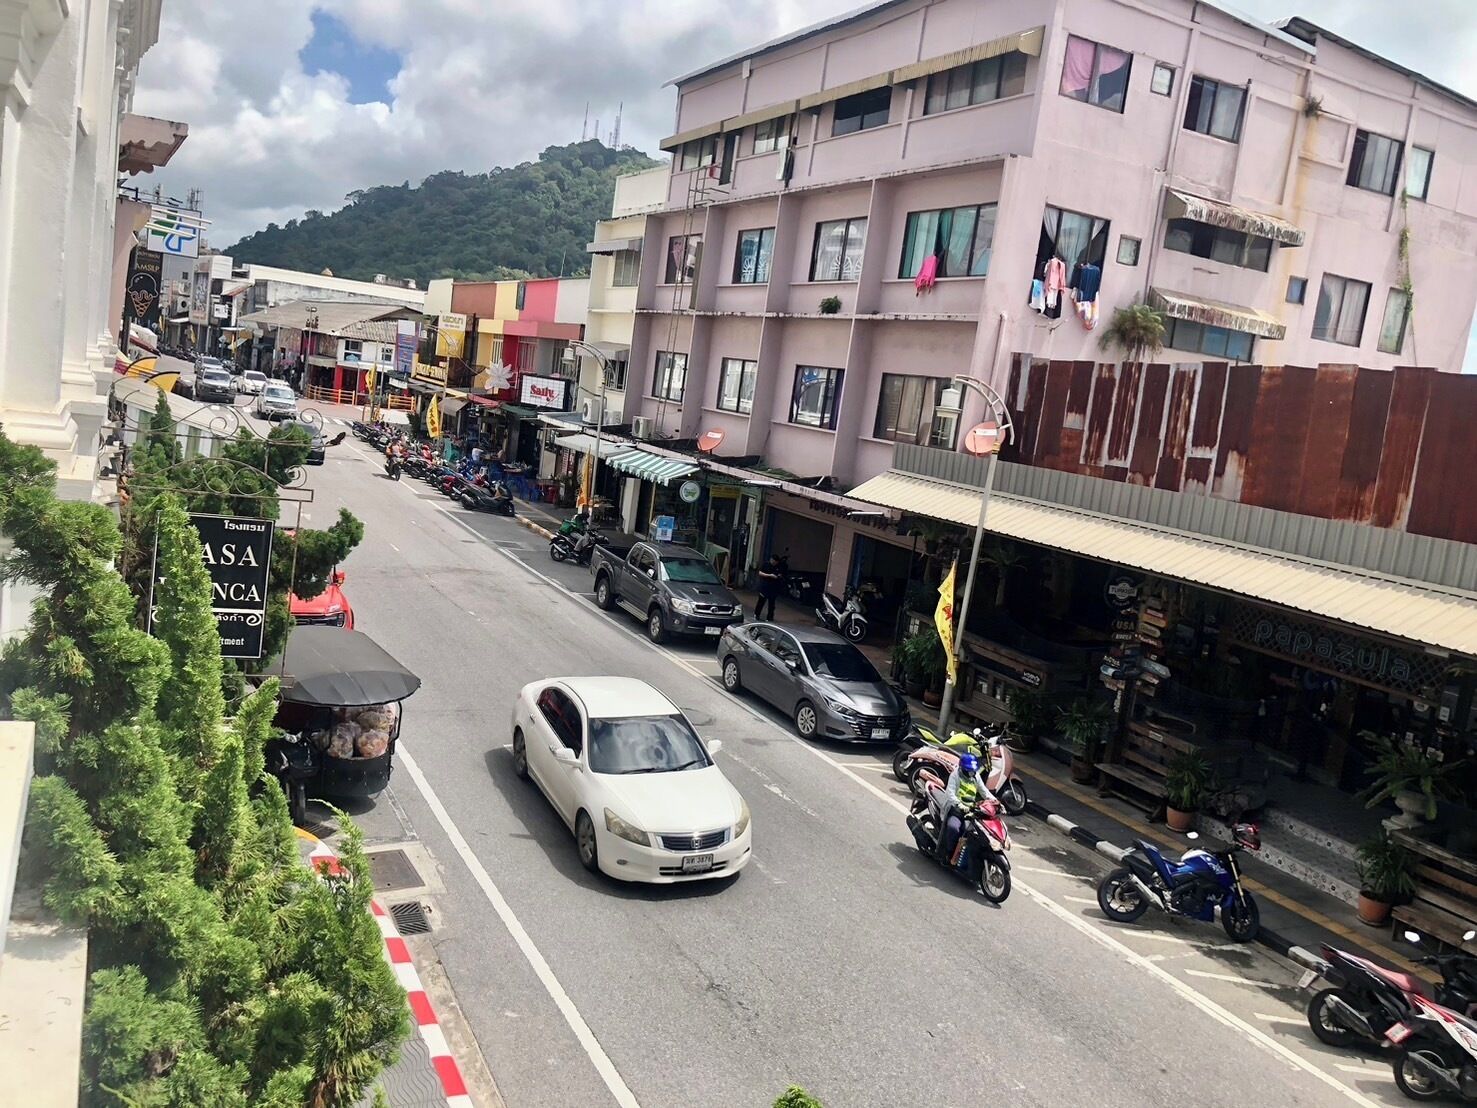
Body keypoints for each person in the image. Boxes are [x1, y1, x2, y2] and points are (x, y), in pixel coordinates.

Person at [932, 752, 994, 865]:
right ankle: (948, 853)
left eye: (973, 770)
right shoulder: (955, 775)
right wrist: (959, 804)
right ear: (962, 767)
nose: (971, 773)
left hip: (970, 811)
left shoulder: (975, 775)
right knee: (954, 828)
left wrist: (995, 802)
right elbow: (950, 794)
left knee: (974, 834)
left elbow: (984, 791)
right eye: (969, 770)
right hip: (955, 810)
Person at [754, 555, 783, 621]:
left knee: (771, 604)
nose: (773, 562)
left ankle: (770, 617)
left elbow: (779, 576)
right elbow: (760, 573)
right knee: (761, 602)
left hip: (774, 587)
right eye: (772, 560)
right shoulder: (766, 564)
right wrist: (769, 575)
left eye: (774, 561)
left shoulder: (779, 567)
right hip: (765, 586)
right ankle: (756, 615)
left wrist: (776, 577)